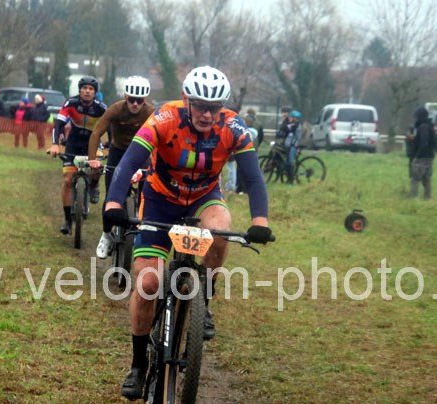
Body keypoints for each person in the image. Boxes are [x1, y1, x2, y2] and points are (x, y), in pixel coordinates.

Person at [101, 66, 272, 400]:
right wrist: (113, 203)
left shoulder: (233, 127)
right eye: (201, 106)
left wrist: (260, 221)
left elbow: (253, 177)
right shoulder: (164, 118)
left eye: (215, 107)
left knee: (221, 229)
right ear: (185, 100)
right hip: (159, 201)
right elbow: (129, 163)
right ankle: (137, 365)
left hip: (203, 199)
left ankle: (203, 295)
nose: (207, 114)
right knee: (148, 284)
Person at [87, 75, 156, 259]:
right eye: (131, 99)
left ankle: (140, 225)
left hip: (141, 155)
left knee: (147, 193)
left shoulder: (152, 112)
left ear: (145, 99)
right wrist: (92, 159)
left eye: (139, 100)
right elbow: (96, 133)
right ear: (126, 96)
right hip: (117, 153)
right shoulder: (116, 109)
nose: (135, 104)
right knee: (111, 196)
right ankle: (106, 234)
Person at [49, 76, 107, 234]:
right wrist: (55, 144)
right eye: (84, 88)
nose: (87, 91)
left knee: (98, 166)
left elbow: (111, 128)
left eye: (91, 89)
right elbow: (59, 123)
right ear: (80, 90)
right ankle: (67, 220)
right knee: (67, 181)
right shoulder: (71, 103)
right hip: (73, 144)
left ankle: (94, 185)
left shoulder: (101, 108)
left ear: (95, 92)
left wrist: (112, 144)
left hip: (93, 144)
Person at [409, 106, 436, 199]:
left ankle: (413, 197)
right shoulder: (430, 126)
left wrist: (417, 156)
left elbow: (423, 142)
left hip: (422, 157)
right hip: (430, 156)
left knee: (415, 178)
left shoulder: (423, 127)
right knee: (426, 179)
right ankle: (428, 197)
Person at [284, 110, 303, 183]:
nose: (289, 118)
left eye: (291, 117)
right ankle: (289, 178)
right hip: (289, 145)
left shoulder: (297, 126)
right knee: (288, 161)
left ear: (295, 118)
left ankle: (291, 179)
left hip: (293, 146)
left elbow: (296, 136)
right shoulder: (293, 125)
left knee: (290, 162)